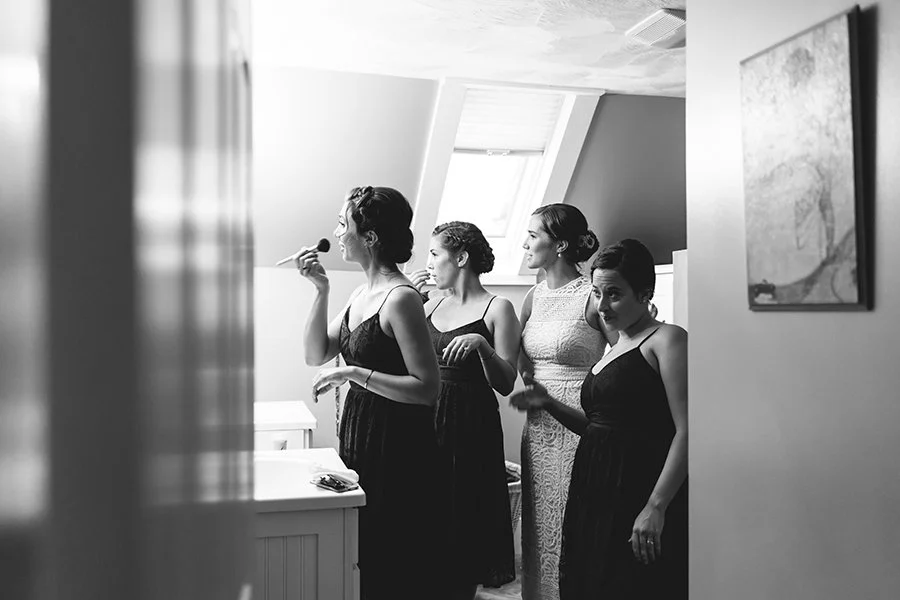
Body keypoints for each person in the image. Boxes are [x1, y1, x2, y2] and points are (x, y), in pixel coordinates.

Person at [510, 238, 688, 599]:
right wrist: (548, 403)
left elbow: (688, 430)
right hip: (595, 485)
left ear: (645, 293)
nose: (602, 306)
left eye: (614, 294)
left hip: (638, 484)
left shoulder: (667, 340)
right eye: (596, 293)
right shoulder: (616, 346)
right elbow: (598, 429)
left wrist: (656, 505)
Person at [296, 185, 447, 600]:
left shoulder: (401, 299)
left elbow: (427, 389)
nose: (337, 233)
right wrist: (320, 290)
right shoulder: (360, 294)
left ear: (370, 237)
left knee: (391, 554)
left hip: (399, 443)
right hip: (361, 432)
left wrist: (354, 372)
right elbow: (315, 354)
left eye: (342, 224)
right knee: (362, 549)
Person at [415, 221, 519, 599]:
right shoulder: (429, 304)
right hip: (426, 419)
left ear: (460, 258)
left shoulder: (498, 308)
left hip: (471, 424)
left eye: (434, 254)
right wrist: (410, 299)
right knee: (426, 517)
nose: (428, 263)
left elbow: (506, 382)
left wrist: (483, 346)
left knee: (465, 517)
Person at [517, 203, 615, 600]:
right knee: (539, 521)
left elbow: (622, 355)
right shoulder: (533, 296)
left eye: (532, 236)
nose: (525, 244)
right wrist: (529, 379)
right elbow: (520, 351)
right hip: (538, 427)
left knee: (574, 518)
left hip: (578, 420)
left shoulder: (592, 297)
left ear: (559, 245)